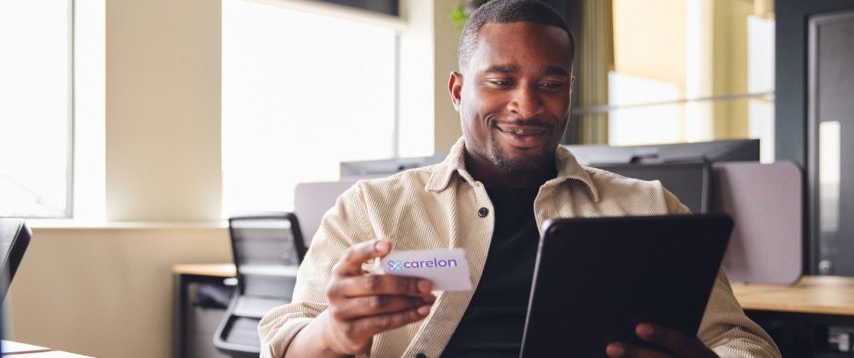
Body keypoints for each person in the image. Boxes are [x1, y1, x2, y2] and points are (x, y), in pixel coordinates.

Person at [257, 0, 781, 357]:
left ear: (570, 90)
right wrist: (331, 332)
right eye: (501, 81)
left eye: (550, 83)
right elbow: (282, 338)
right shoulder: (372, 208)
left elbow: (744, 342)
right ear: (459, 90)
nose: (527, 105)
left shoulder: (647, 207)